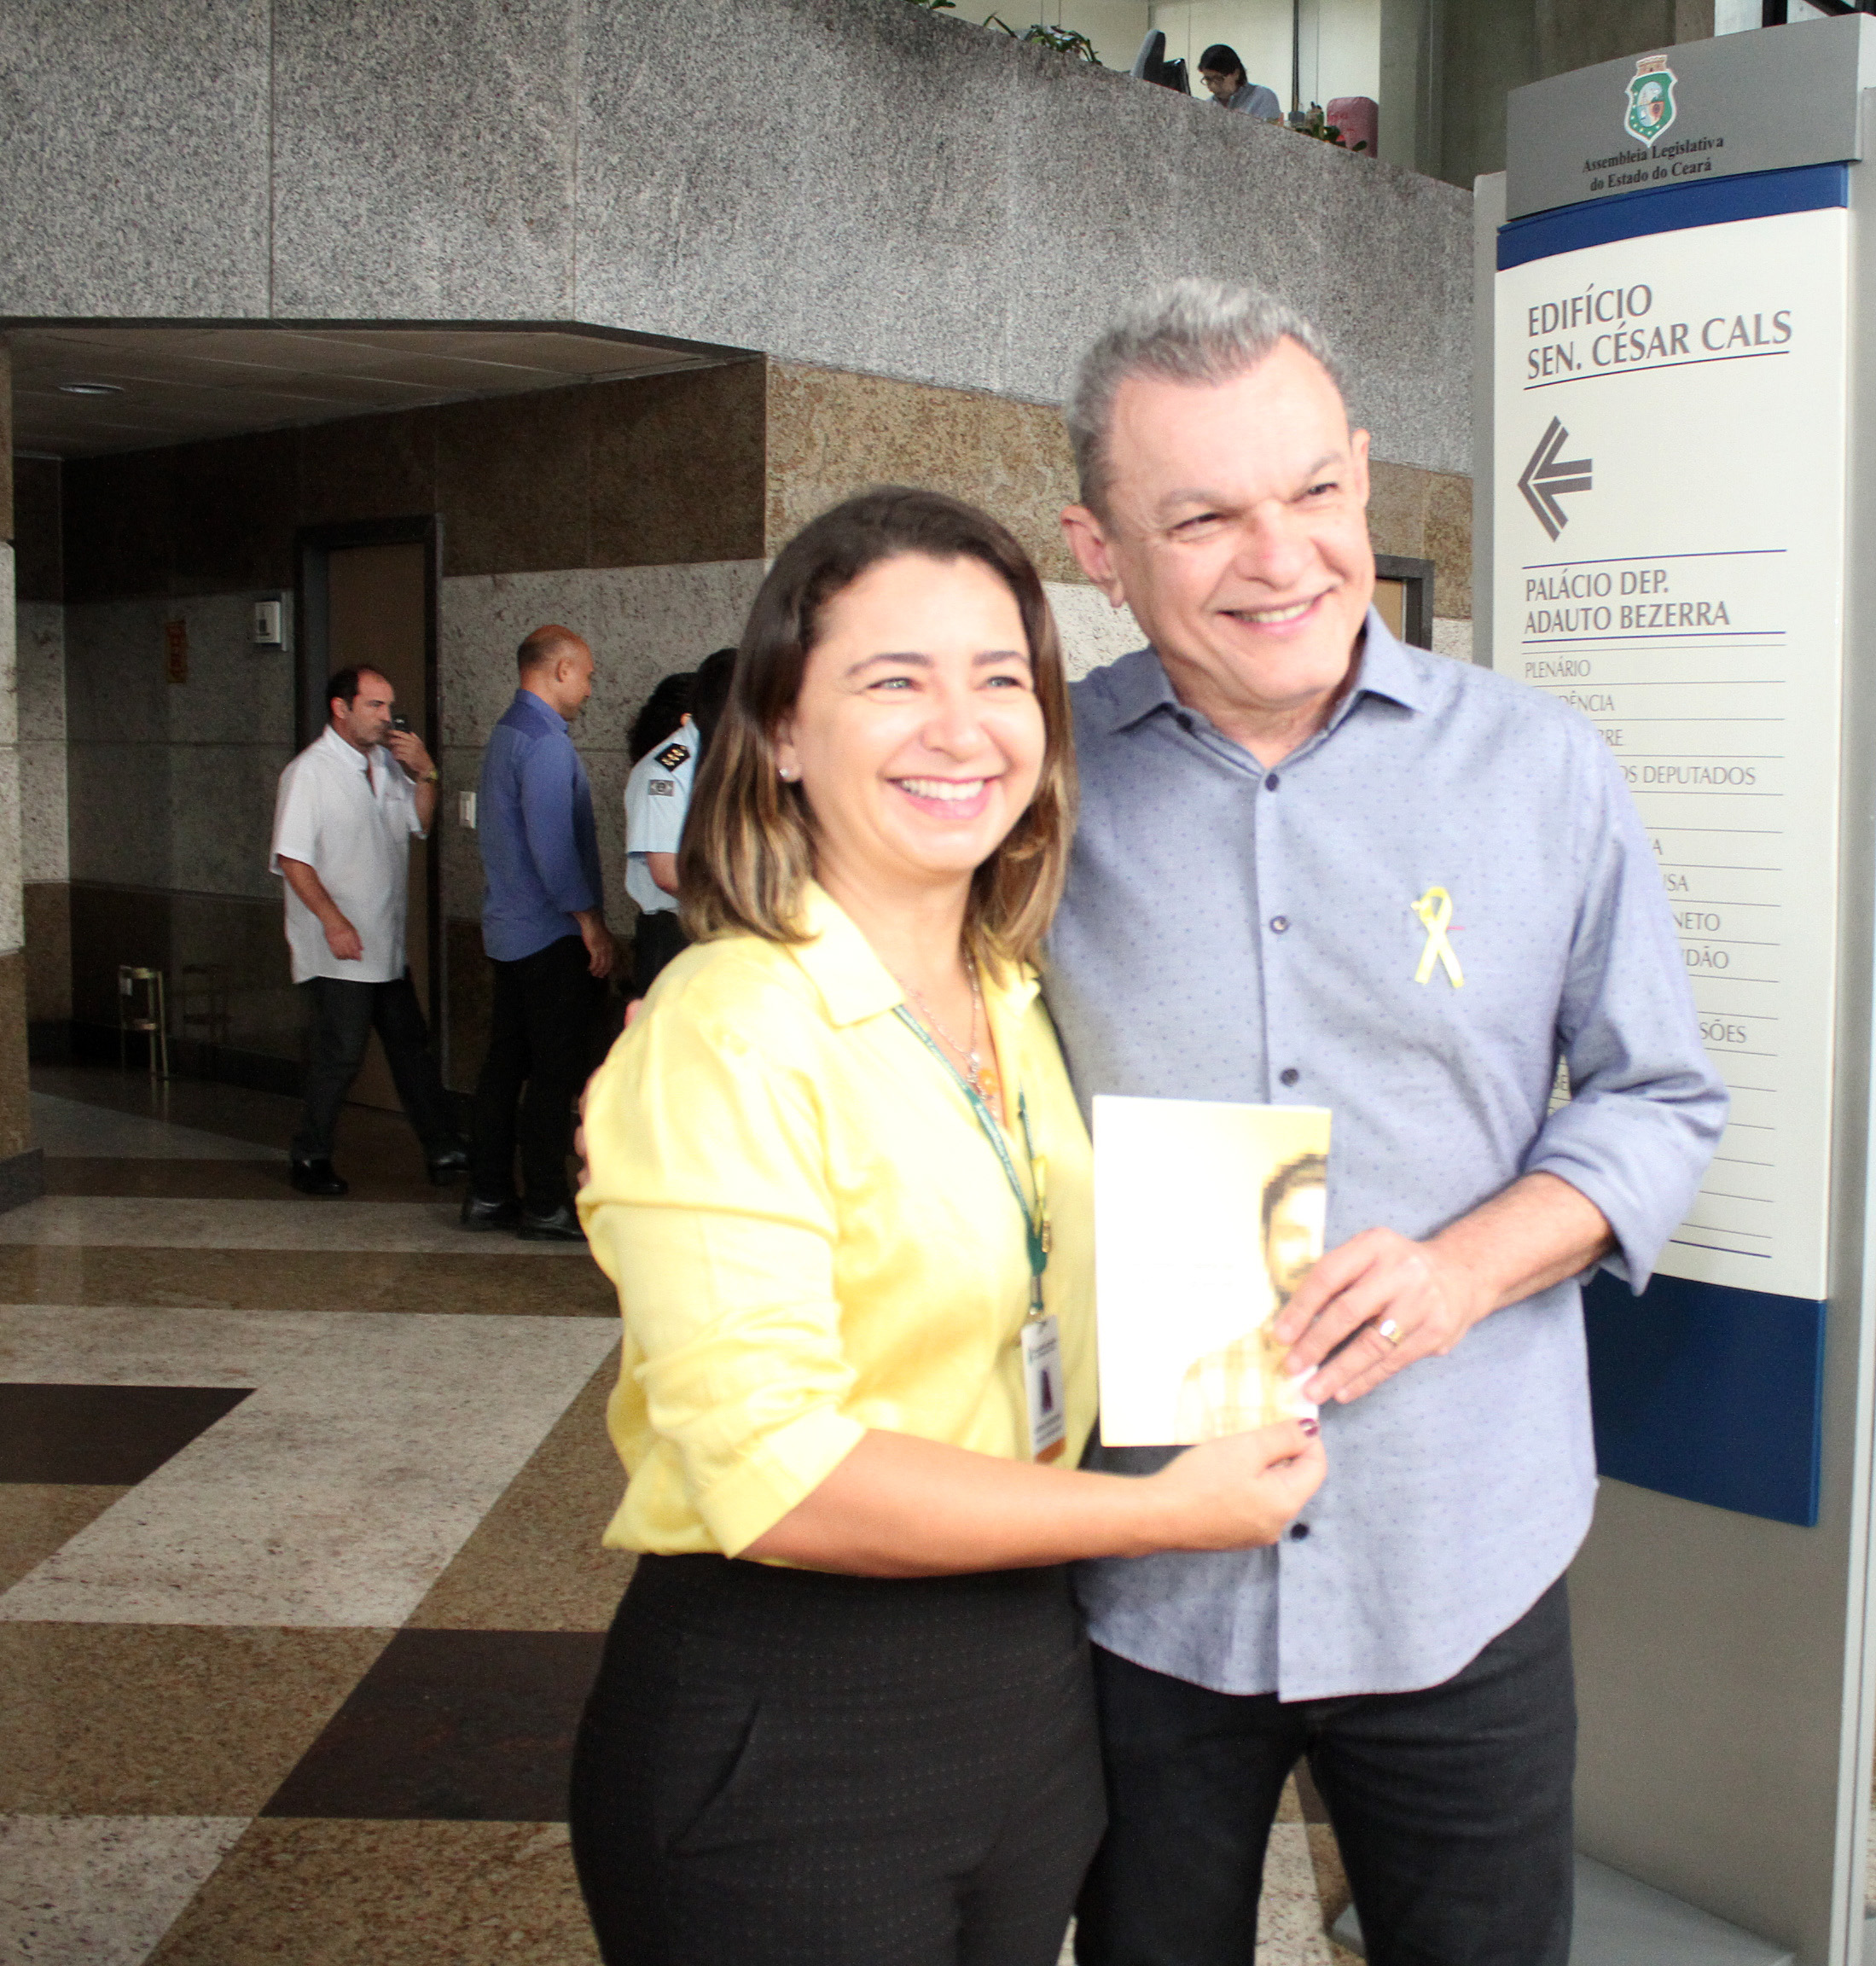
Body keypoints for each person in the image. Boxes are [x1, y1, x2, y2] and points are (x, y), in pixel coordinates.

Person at [1047, 281, 1727, 1966]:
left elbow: (1659, 1096)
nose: (1280, 556)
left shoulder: (1540, 771)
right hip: (1141, 1564)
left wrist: (1467, 1268)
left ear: (1361, 474)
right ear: (1098, 548)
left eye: (1313, 491)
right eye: (1203, 516)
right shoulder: (1035, 790)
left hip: (1457, 1555)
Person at [566, 488, 1327, 1966]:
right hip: (794, 1716)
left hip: (1029, 1699)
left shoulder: (1018, 995)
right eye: (893, 680)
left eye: (999, 678)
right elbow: (777, 1477)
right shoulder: (732, 1022)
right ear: (782, 730)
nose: (961, 728)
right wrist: (1166, 1513)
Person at [269, 666, 466, 1195]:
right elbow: (292, 859)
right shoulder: (309, 773)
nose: (387, 717)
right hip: (340, 946)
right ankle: (310, 1155)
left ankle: (443, 1146)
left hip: (385, 940)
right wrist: (333, 920)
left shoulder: (386, 765)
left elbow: (419, 824)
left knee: (411, 1046)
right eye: (375, 705)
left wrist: (426, 773)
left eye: (389, 706)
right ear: (341, 708)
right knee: (342, 1052)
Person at [466, 624, 613, 1241]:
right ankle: (547, 1202)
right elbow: (554, 850)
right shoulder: (547, 745)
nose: (589, 689)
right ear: (560, 670)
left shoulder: (507, 734)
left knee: (505, 1066)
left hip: (508, 929)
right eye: (587, 675)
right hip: (550, 936)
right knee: (555, 1071)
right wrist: (590, 922)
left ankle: (489, 1193)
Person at [1174, 1152, 1325, 1440]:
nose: (1313, 1253)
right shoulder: (1207, 1380)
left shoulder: (1392, 1359)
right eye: (1293, 1234)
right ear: (1265, 1243)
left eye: (1327, 1235)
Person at [620, 666, 702, 997]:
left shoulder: (697, 767)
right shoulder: (665, 772)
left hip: (695, 926)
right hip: (672, 931)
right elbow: (667, 874)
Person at [1195, 44, 1281, 121]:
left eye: (1219, 79)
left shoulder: (1262, 97)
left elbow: (1269, 132)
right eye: (1208, 79)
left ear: (1236, 74)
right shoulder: (1208, 106)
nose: (1213, 86)